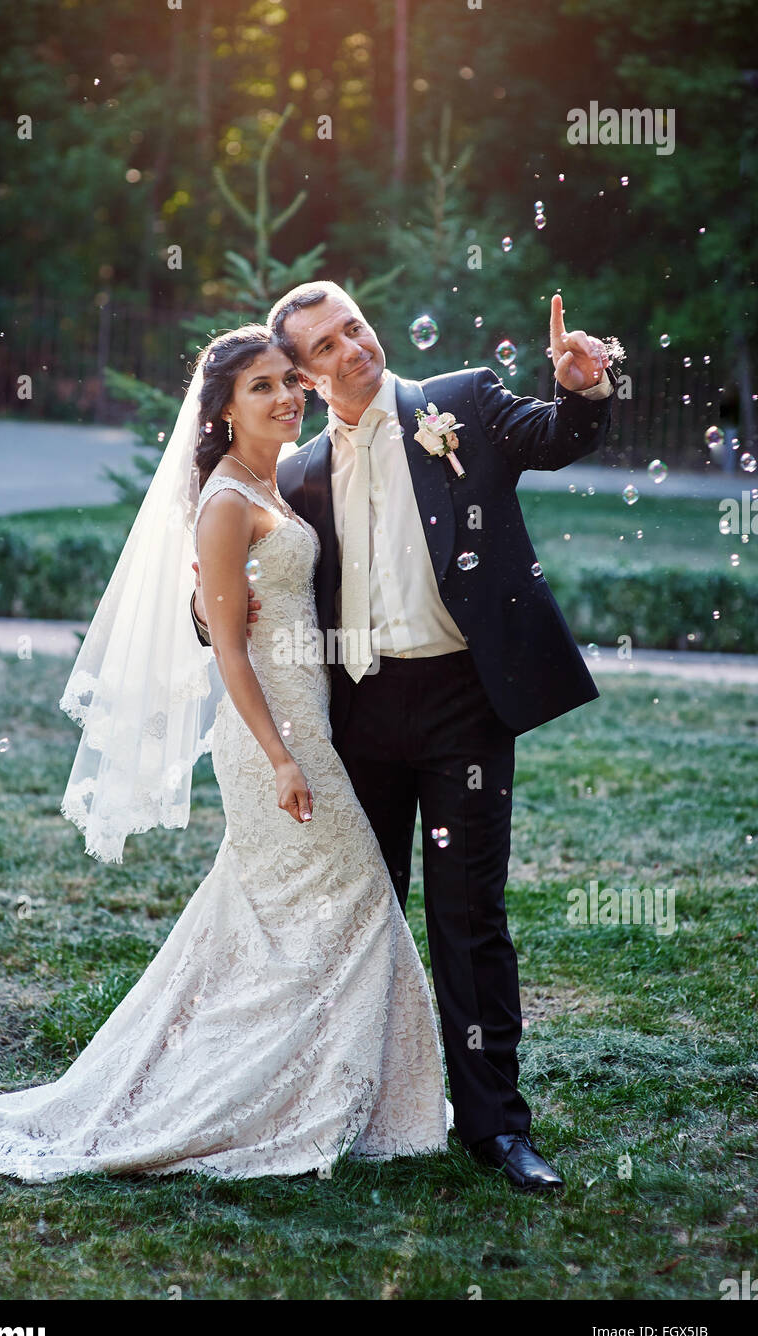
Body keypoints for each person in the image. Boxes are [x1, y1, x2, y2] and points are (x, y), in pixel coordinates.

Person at [0, 324, 453, 1184]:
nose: (286, 397)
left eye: (290, 380)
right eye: (262, 388)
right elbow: (230, 653)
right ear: (223, 410)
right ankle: (281, 1097)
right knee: (355, 895)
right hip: (269, 740)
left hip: (309, 723)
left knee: (292, 917)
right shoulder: (226, 502)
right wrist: (281, 758)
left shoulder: (270, 483)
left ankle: (337, 1089)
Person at [192, 283, 618, 1191]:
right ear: (304, 374)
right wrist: (205, 611)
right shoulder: (299, 471)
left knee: (469, 918)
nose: (352, 348)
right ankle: (355, 1103)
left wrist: (582, 390)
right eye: (326, 345)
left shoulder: (458, 403)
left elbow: (559, 436)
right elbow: (260, 588)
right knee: (359, 916)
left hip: (466, 701)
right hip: (358, 713)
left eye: (355, 326)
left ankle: (496, 1127)